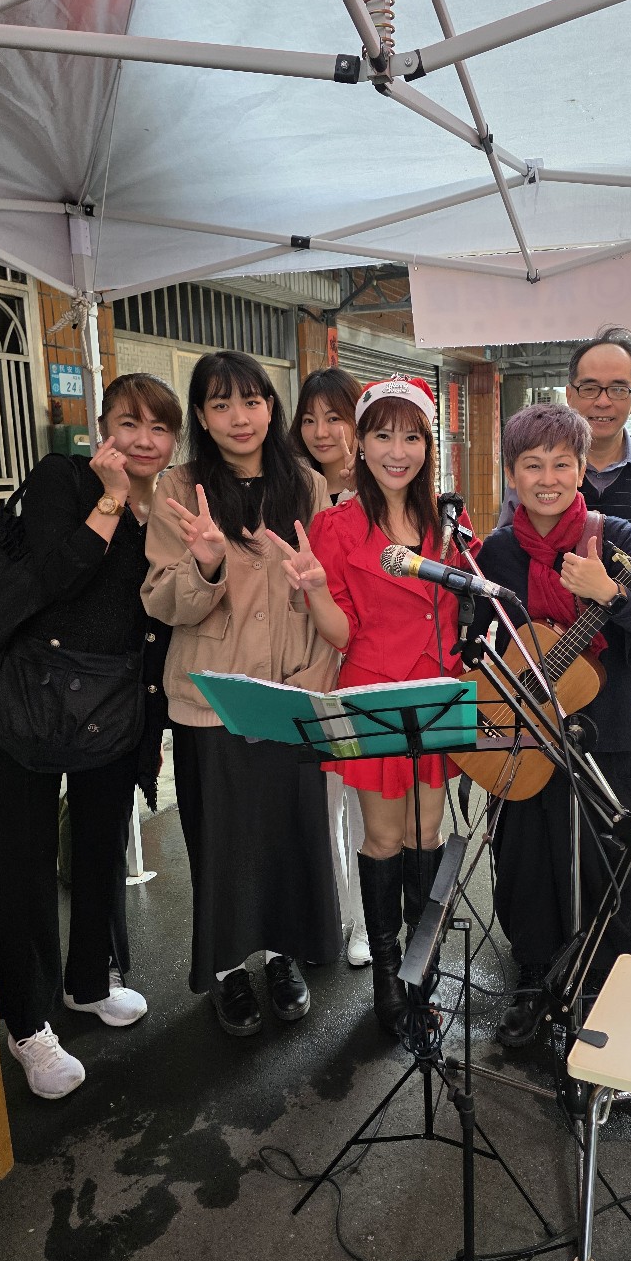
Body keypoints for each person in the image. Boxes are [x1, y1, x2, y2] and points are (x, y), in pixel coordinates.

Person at [0, 372, 182, 1099]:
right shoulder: (61, 478)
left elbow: (159, 618)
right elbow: (54, 579)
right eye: (129, 423)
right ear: (103, 427)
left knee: (100, 843)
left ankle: (90, 980)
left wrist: (153, 719)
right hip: (27, 695)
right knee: (24, 861)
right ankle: (26, 1021)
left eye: (159, 428)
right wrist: (112, 498)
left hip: (112, 702)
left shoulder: (171, 507)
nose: (144, 440)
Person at [268, 376, 480, 1037]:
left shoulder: (449, 521)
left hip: (436, 694)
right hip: (372, 693)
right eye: (383, 435)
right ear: (360, 443)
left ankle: (423, 970)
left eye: (411, 436)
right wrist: (314, 589)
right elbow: (342, 633)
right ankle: (388, 977)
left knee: (426, 835)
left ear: (428, 446)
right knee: (384, 838)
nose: (397, 450)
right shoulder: (335, 526)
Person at [143, 351, 341, 1037]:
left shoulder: (307, 485)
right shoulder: (179, 487)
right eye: (221, 404)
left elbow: (324, 591)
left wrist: (313, 685)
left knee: (288, 837)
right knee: (223, 843)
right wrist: (204, 564)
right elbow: (163, 603)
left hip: (291, 694)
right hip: (214, 701)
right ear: (201, 416)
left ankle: (283, 956)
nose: (239, 417)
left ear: (270, 406)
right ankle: (229, 969)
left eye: (252, 400)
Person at [473, 404, 631, 1046]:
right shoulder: (497, 551)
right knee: (527, 863)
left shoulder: (613, 535)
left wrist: (609, 592)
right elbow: (477, 638)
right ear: (511, 474)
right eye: (533, 465)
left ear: (583, 469)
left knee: (615, 864)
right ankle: (535, 977)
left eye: (563, 464)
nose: (548, 478)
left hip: (608, 732)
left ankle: (611, 985)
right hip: (530, 734)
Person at [289, 368, 369, 967]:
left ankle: (365, 921)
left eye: (335, 417)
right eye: (310, 419)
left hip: (365, 669)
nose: (321, 431)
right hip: (313, 670)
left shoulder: (382, 488)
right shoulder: (295, 494)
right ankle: (328, 916)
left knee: (366, 802)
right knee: (321, 804)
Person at [499, 327, 631, 538]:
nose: (603, 402)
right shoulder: (534, 472)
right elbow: (507, 547)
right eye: (589, 389)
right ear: (569, 395)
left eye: (618, 389)